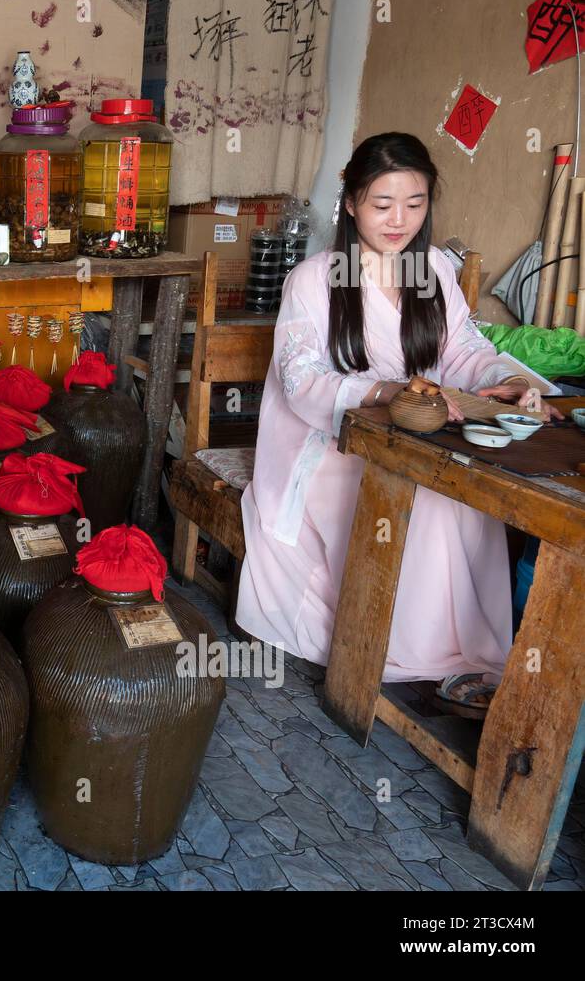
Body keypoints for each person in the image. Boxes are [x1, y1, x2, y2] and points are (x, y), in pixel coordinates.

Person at [235, 132, 560, 716]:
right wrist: (383, 390)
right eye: (382, 205)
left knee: (466, 491)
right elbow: (299, 377)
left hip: (423, 432)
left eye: (415, 204)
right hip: (334, 441)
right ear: (352, 202)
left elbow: (462, 347)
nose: (399, 220)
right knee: (427, 494)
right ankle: (412, 651)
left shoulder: (431, 268)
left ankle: (466, 654)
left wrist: (506, 378)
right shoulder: (315, 278)